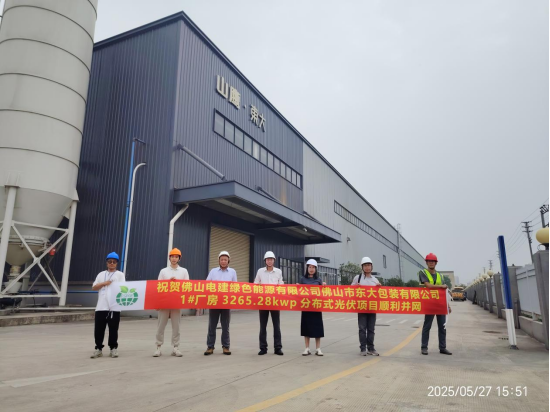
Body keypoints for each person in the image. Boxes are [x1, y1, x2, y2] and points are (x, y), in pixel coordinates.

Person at [154, 248, 190, 358]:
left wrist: (177, 283)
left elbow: (187, 286)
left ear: (179, 258)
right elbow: (158, 286)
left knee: (176, 326)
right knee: (161, 325)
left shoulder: (184, 271)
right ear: (169, 258)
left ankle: (175, 347)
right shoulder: (163, 271)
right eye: (172, 256)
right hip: (164, 302)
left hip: (176, 302)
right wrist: (168, 283)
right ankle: (158, 347)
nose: (174, 259)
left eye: (176, 257)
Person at [91, 252, 126, 359]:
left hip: (114, 307)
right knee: (99, 329)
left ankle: (113, 348)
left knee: (113, 329)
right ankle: (98, 348)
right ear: (107, 263)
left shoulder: (120, 275)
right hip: (101, 306)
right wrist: (104, 283)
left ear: (117, 263)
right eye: (110, 261)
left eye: (114, 262)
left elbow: (124, 288)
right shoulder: (101, 274)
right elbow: (94, 287)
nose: (112, 263)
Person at [204, 251, 238, 356]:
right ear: (219, 260)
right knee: (212, 325)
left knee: (225, 326)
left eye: (225, 260)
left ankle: (226, 347)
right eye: (222, 259)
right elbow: (206, 284)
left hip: (226, 302)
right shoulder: (213, 271)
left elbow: (235, 287)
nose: (223, 261)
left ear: (228, 261)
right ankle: (210, 347)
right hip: (214, 301)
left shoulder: (232, 272)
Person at [419, 253, 452, 356]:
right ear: (426, 262)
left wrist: (448, 305)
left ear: (436, 263)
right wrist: (441, 286)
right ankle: (424, 347)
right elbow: (428, 285)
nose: (431, 263)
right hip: (429, 303)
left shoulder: (440, 276)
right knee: (427, 326)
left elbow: (443, 293)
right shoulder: (423, 272)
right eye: (429, 261)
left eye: (433, 261)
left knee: (442, 326)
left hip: (440, 304)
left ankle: (442, 347)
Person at [255, 251, 284, 356]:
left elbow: (281, 284)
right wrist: (258, 285)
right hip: (263, 302)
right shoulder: (260, 271)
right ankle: (263, 348)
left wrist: (280, 287)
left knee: (276, 325)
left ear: (274, 260)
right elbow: (255, 284)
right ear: (265, 261)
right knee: (263, 326)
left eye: (271, 259)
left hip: (275, 302)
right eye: (268, 259)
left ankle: (278, 348)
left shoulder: (278, 272)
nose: (269, 261)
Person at [352, 257, 382, 357]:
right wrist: (356, 287)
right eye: (365, 265)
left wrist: (379, 288)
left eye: (369, 265)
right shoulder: (358, 278)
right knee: (362, 329)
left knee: (371, 329)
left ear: (371, 266)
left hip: (372, 307)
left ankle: (371, 348)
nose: (367, 267)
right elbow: (350, 290)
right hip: (361, 307)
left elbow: (379, 294)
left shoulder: (375, 280)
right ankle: (363, 348)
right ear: (362, 267)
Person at [299, 259, 326, 357]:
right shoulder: (303, 279)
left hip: (316, 306)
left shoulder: (319, 280)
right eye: (309, 267)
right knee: (306, 327)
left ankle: (318, 348)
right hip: (306, 306)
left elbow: (323, 293)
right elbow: (299, 292)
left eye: (313, 267)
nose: (311, 269)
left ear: (316, 269)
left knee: (317, 327)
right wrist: (296, 287)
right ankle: (307, 348)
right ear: (307, 268)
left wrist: (324, 286)